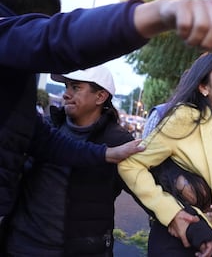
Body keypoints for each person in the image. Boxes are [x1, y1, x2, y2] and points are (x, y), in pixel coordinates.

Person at [0, 0, 212, 224]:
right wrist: (160, 13)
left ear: (102, 96)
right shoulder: (182, 118)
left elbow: (39, 139)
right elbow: (57, 40)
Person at [118, 51, 212, 256]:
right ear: (203, 87)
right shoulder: (185, 118)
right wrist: (171, 213)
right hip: (180, 240)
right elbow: (130, 165)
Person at [3, 65, 145, 256]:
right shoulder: (45, 127)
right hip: (19, 245)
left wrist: (178, 215)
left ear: (100, 96)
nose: (66, 94)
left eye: (75, 87)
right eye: (66, 87)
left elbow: (146, 189)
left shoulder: (119, 142)